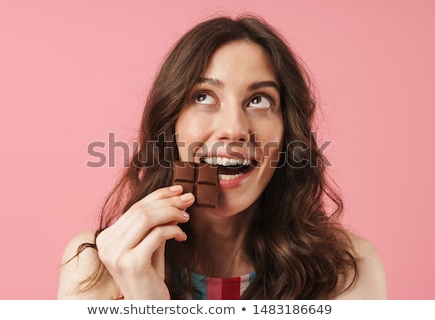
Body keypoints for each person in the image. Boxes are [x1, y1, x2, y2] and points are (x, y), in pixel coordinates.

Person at [57, 14, 387, 300]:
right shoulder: (96, 264)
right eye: (203, 96)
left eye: (259, 100)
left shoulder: (347, 269)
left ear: (289, 129)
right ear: (171, 123)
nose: (234, 129)